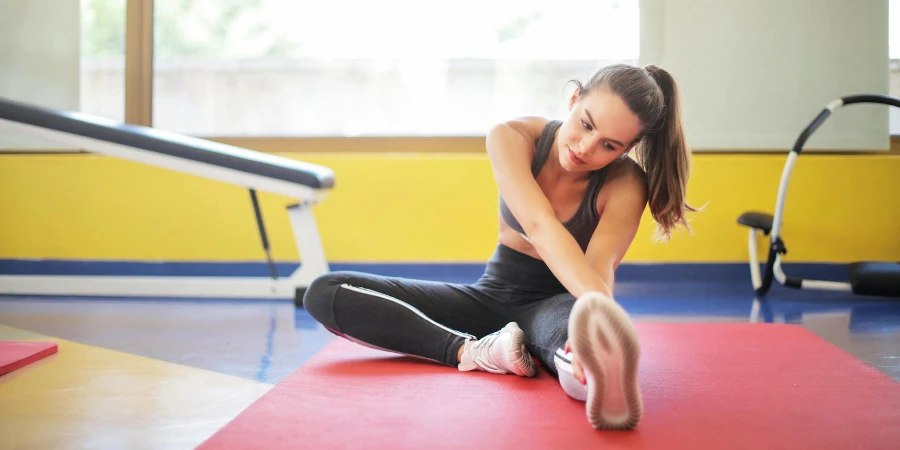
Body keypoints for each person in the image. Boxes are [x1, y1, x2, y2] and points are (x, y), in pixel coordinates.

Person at [302, 63, 696, 430]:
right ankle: (474, 352)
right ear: (573, 99)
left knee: (579, 353)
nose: (586, 147)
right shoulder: (512, 136)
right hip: (489, 295)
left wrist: (595, 323)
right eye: (585, 124)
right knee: (325, 293)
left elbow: (600, 265)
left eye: (609, 145)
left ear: (626, 150)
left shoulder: (626, 183)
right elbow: (539, 225)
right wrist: (599, 308)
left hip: (559, 303)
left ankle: (596, 373)